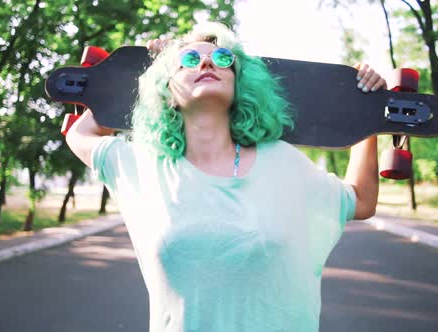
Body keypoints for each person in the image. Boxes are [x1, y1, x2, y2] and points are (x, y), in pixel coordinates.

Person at [66, 22, 386, 332]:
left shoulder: (282, 161)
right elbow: (82, 133)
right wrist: (150, 66)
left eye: (222, 59)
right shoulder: (142, 164)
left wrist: (364, 115)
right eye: (189, 60)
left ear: (239, 84)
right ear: (166, 92)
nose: (206, 60)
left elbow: (361, 200)